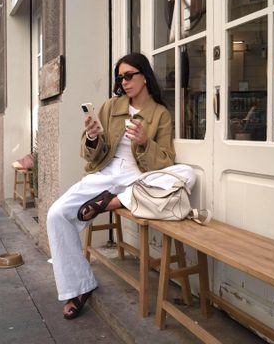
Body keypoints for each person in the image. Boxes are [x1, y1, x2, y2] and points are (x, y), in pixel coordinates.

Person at [47, 52, 196, 320]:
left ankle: (112, 202)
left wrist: (144, 142)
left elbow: (165, 162)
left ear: (144, 76)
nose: (124, 82)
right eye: (120, 78)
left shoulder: (160, 114)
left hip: (137, 177)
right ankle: (79, 287)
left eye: (129, 76)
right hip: (106, 173)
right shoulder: (109, 107)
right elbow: (90, 153)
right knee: (56, 214)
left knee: (186, 173)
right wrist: (92, 136)